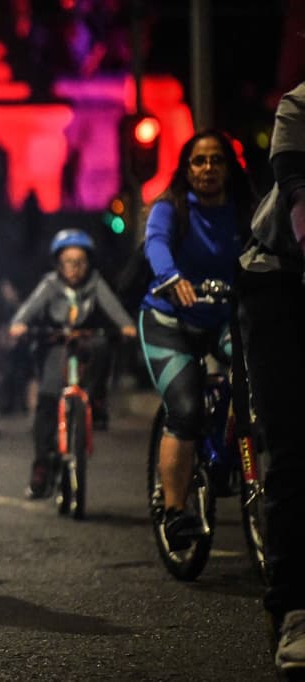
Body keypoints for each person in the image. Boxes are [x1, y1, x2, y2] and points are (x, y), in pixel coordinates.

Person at [137, 130, 253, 551]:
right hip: (169, 321)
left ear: (229, 168)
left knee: (256, 378)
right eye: (199, 161)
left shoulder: (245, 210)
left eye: (216, 160)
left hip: (222, 319)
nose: (208, 168)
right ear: (187, 170)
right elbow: (156, 243)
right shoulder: (171, 208)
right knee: (185, 410)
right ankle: (174, 511)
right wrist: (171, 278)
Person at [237, 83, 305, 671]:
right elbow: (301, 202)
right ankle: (294, 609)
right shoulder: (299, 106)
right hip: (281, 282)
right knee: (294, 445)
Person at [9, 229, 136, 498]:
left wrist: (126, 326)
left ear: (88, 263)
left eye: (80, 262)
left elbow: (113, 308)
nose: (74, 268)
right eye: (68, 261)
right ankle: (42, 466)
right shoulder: (50, 284)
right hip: (56, 342)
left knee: (102, 346)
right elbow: (28, 310)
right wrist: (19, 324)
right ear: (58, 263)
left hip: (85, 341)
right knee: (47, 399)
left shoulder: (95, 283)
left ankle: (97, 401)